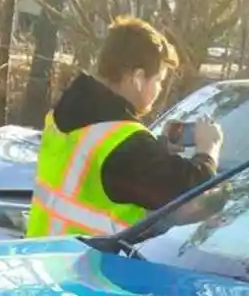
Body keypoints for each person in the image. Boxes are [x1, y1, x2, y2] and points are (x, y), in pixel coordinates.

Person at [26, 16, 224, 238]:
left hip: (40, 257)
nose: (159, 89)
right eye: (158, 80)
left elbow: (104, 177)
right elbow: (189, 192)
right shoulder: (123, 142)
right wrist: (209, 149)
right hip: (83, 268)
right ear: (138, 78)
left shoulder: (66, 113)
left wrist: (157, 150)